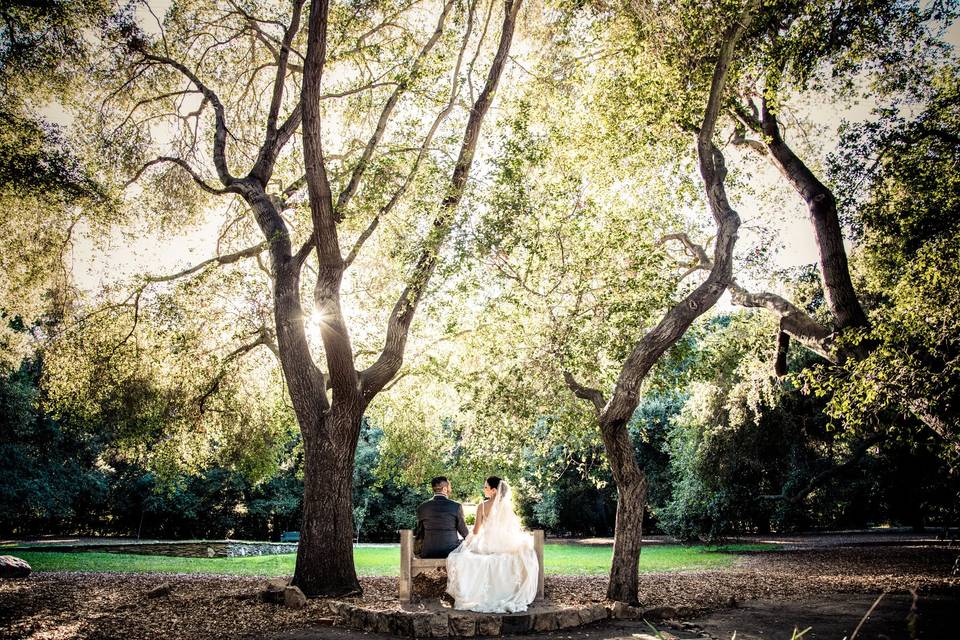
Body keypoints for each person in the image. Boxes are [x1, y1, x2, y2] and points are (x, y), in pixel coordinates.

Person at [445, 476, 539, 613]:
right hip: (505, 543)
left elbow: (476, 530)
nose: (484, 489)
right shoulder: (506, 506)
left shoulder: (482, 506)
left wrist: (469, 538)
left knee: (463, 554)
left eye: (486, 487)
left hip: (487, 543)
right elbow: (511, 528)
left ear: (494, 490)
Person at [414, 476, 470, 558]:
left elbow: (420, 532)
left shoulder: (422, 507)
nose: (450, 489)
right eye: (449, 487)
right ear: (444, 489)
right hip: (451, 551)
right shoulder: (456, 506)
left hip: (428, 552)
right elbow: (464, 533)